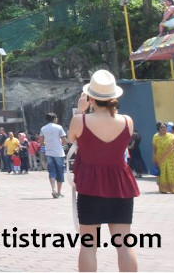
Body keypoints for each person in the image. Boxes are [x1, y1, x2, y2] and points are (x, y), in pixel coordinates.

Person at [68, 70, 140, 272]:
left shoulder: (80, 120)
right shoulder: (127, 121)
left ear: (90, 97)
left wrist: (81, 110)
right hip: (120, 186)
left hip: (90, 186)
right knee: (124, 244)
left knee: (89, 245)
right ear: (114, 97)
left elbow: (70, 139)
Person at [40, 113, 69, 198]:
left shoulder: (43, 128)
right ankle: (59, 192)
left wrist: (48, 144)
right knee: (60, 171)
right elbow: (64, 140)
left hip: (49, 152)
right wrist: (60, 144)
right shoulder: (59, 127)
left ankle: (53, 189)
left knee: (51, 171)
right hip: (59, 153)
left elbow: (41, 142)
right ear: (54, 118)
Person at [153, 121, 174, 194]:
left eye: (164, 127)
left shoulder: (171, 136)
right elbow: (154, 148)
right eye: (161, 127)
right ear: (159, 128)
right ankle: (163, 189)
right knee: (163, 173)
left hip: (171, 158)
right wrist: (153, 157)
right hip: (160, 158)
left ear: (167, 128)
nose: (163, 128)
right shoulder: (155, 137)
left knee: (172, 173)